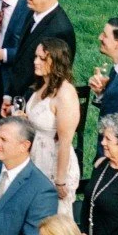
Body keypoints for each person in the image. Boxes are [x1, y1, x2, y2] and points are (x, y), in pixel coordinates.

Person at [5, 0, 76, 107]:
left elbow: (53, 78)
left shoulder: (60, 31)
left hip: (35, 106)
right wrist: (9, 96)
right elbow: (21, 59)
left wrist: (21, 105)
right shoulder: (33, 13)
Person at [27, 39, 81, 210]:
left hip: (53, 163)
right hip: (35, 158)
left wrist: (60, 180)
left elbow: (65, 141)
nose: (36, 61)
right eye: (36, 56)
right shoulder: (43, 85)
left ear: (57, 61)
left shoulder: (66, 93)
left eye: (42, 58)